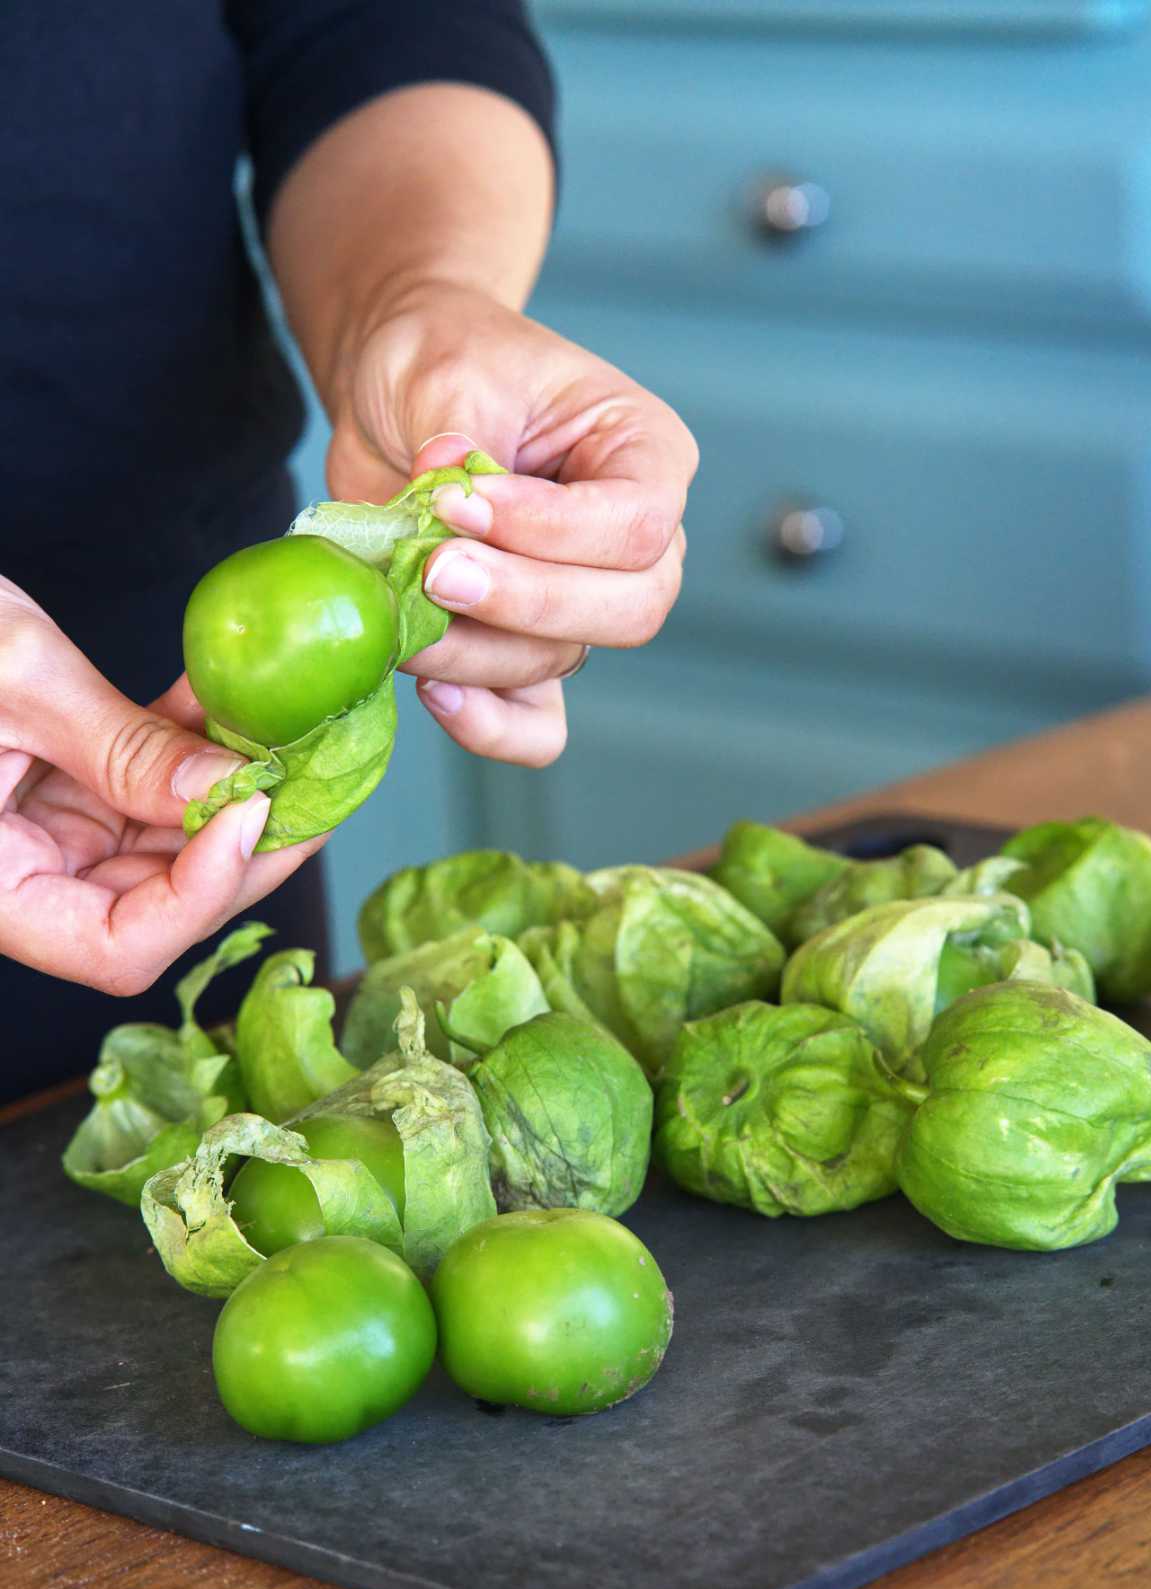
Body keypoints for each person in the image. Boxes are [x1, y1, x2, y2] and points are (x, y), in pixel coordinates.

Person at [1, 3, 696, 1102]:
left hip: (170, 774)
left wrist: (417, 301)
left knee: (230, 1155)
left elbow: (365, 23)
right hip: (157, 749)